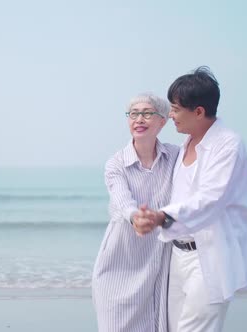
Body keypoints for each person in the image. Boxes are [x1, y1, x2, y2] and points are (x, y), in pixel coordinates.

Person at [133, 67, 247, 332]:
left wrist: (161, 216)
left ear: (198, 111)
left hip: (208, 258)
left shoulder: (228, 145)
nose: (171, 115)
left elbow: (211, 199)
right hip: (177, 256)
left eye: (176, 109)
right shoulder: (185, 145)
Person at [92, 92, 179, 332]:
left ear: (163, 121)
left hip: (159, 259)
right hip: (121, 259)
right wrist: (136, 218)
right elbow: (122, 200)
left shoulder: (175, 156)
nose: (139, 119)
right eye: (134, 114)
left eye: (147, 113)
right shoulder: (116, 163)